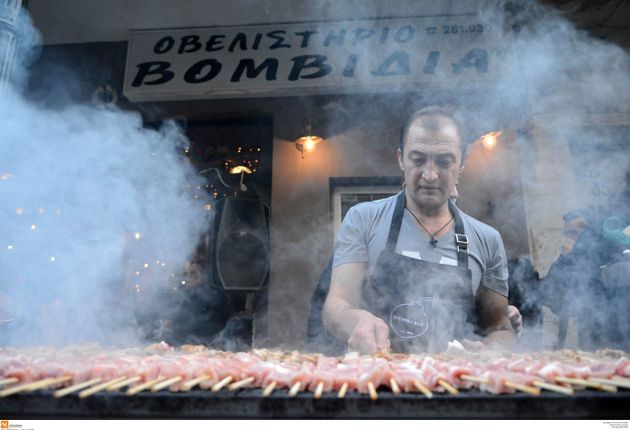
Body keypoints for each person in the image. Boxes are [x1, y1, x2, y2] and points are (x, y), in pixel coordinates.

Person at [322, 106, 515, 354]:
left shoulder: (487, 240)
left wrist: (491, 351)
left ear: (462, 162)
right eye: (418, 159)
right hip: (378, 381)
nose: (430, 174)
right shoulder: (364, 219)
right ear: (401, 159)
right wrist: (356, 322)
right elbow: (337, 305)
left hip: (456, 387)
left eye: (444, 161)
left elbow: (500, 330)